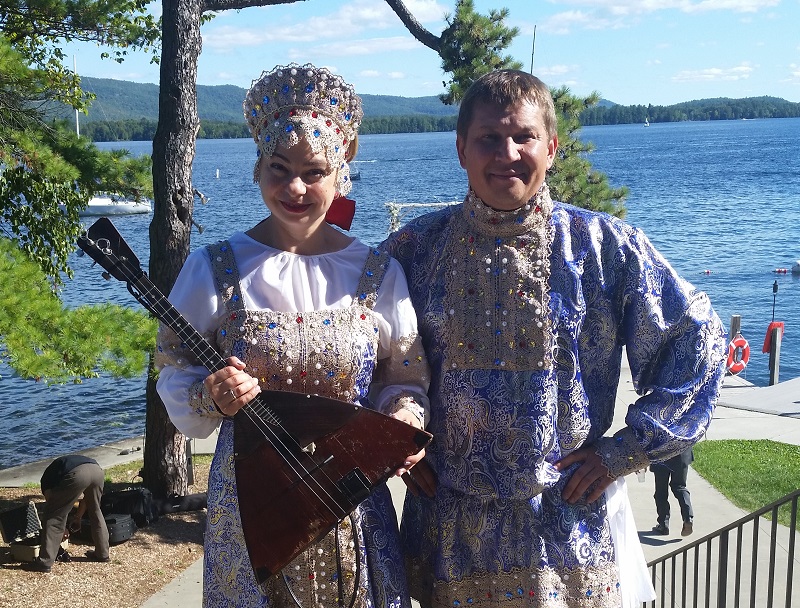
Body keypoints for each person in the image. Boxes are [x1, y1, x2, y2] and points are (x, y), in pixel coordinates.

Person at [383, 69, 727, 607]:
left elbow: (696, 343)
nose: (507, 153)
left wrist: (628, 449)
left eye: (524, 137)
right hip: (447, 532)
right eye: (489, 139)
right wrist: (395, 443)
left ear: (552, 146)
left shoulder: (605, 248)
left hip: (565, 529)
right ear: (461, 149)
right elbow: (366, 356)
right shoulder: (414, 249)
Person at [155, 63, 430, 608]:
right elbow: (173, 369)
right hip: (252, 504)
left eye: (314, 171)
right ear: (258, 170)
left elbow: (403, 377)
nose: (295, 188)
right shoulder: (215, 268)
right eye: (279, 169)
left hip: (349, 496)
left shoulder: (377, 271)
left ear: (340, 174)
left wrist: (403, 418)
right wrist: (211, 394)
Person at [26, 455, 109, 573]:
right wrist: (77, 517)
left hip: (78, 474)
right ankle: (103, 554)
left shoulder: (46, 481)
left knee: (53, 517)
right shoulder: (57, 469)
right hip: (97, 471)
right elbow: (86, 501)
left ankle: (44, 562)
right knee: (95, 510)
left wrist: (62, 527)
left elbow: (55, 509)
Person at [651, 447, 695, 536]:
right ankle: (688, 517)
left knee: (661, 491)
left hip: (662, 455)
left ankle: (663, 524)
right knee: (680, 486)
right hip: (682, 454)